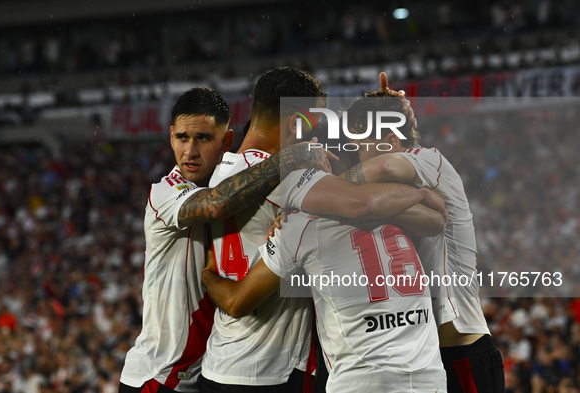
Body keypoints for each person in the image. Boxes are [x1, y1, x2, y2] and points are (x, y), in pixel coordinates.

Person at [199, 67, 448, 393]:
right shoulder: (294, 182)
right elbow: (368, 204)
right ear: (295, 123)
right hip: (273, 370)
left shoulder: (221, 176)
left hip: (223, 361)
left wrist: (207, 275)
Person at [118, 87, 335, 393]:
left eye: (203, 139)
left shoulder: (236, 183)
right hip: (159, 376)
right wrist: (289, 158)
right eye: (182, 137)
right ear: (170, 136)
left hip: (205, 373)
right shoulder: (164, 192)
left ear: (227, 141)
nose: (190, 151)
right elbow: (217, 204)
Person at [337, 76, 506, 393]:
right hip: (426, 358)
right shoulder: (390, 197)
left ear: (389, 139)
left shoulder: (432, 161)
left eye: (358, 145)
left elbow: (384, 166)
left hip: (464, 350)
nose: (354, 154)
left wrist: (315, 191)